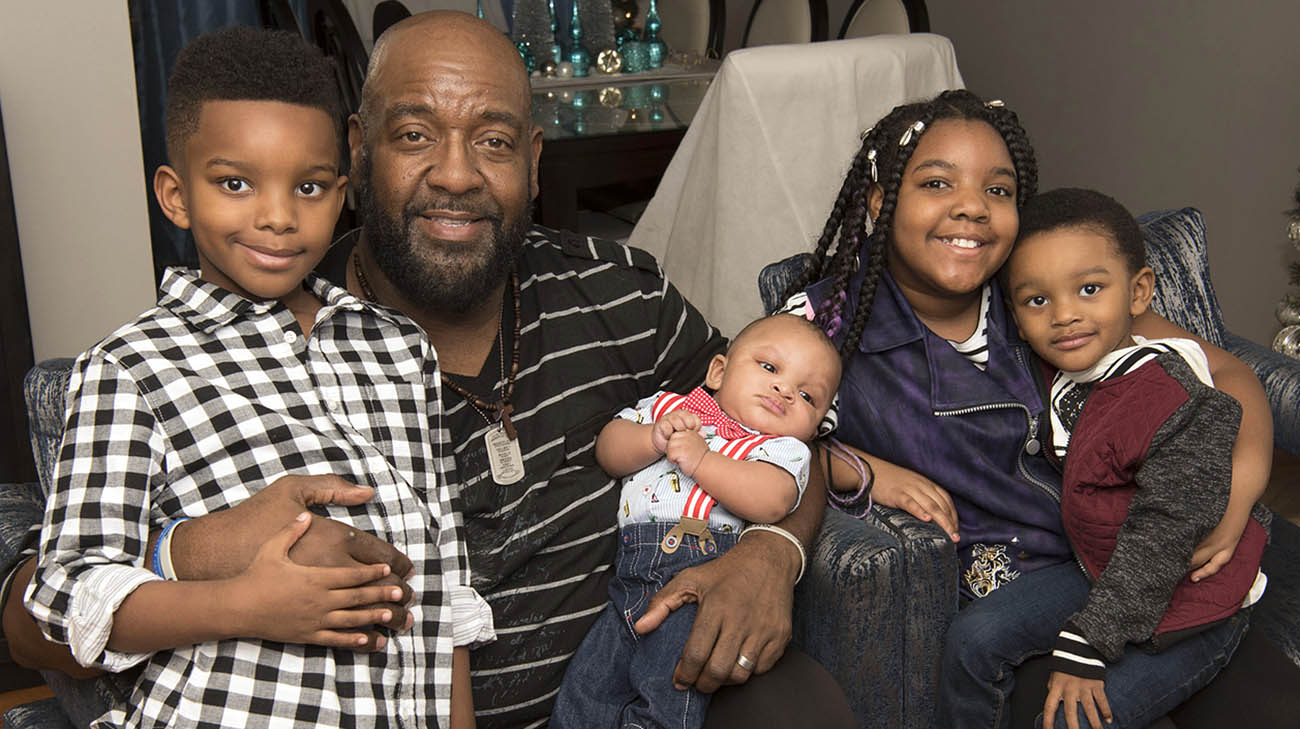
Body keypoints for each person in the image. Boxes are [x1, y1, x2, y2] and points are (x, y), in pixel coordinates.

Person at [2, 12, 854, 729]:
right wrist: (196, 550)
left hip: (618, 687)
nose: (454, 174)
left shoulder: (611, 292)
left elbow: (789, 420)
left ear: (532, 158)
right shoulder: (218, 355)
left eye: (491, 141)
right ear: (359, 152)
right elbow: (42, 612)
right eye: (415, 135)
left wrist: (773, 550)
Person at [22, 25, 491, 729]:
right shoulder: (131, 369)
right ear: (176, 196)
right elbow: (67, 595)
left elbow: (442, 591)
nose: (276, 217)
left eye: (306, 186)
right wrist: (246, 604)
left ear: (340, 196)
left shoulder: (400, 351)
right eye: (235, 183)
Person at [780, 90, 1275, 727]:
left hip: (1146, 560)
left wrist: (1235, 502)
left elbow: (1224, 376)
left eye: (998, 190)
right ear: (879, 202)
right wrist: (863, 467)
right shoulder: (826, 322)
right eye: (936, 183)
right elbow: (745, 439)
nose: (970, 208)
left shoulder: (1042, 287)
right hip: (1024, 591)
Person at [990, 187, 1271, 728]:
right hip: (1111, 564)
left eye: (1089, 289)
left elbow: (1232, 383)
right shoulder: (1061, 348)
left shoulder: (1152, 373)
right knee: (980, 641)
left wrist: (1235, 503)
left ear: (1138, 291)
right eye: (1039, 301)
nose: (1066, 314)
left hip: (1189, 573)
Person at [552, 314, 842, 728]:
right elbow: (608, 449)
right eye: (769, 368)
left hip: (701, 585)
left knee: (666, 691)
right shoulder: (669, 407)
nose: (784, 390)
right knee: (588, 688)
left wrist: (704, 460)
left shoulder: (782, 449)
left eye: (808, 396)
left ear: (816, 426)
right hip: (625, 583)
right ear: (719, 371)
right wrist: (651, 438)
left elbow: (772, 501)